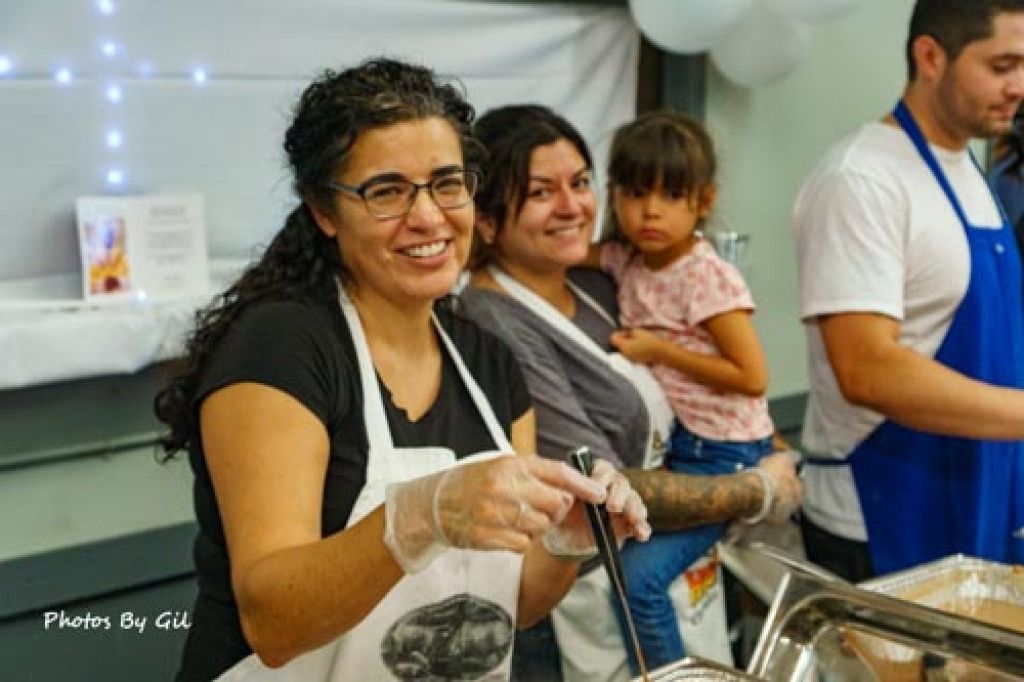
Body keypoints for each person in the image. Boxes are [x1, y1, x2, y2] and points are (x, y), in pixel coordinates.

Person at [153, 59, 651, 682]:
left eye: (448, 183)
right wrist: (417, 517)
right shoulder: (281, 347)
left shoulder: (488, 361)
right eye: (386, 191)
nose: (429, 217)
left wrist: (564, 542)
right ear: (324, 210)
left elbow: (514, 605)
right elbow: (273, 623)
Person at [457, 104, 803, 681]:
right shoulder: (493, 321)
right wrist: (756, 490)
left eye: (581, 183)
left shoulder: (602, 279)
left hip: (677, 538)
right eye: (542, 191)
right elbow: (602, 482)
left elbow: (713, 371)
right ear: (487, 220)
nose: (573, 207)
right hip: (595, 576)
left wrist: (765, 440)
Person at [793, 0, 1024, 582]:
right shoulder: (861, 178)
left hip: (978, 495)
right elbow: (867, 367)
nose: (1019, 87)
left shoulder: (969, 171)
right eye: (1002, 65)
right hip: (880, 516)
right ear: (930, 56)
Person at [588, 111, 776, 672]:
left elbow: (753, 376)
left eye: (672, 195)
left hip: (722, 455)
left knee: (638, 580)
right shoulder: (627, 258)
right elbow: (562, 250)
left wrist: (658, 350)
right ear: (614, 195)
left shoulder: (705, 275)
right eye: (636, 193)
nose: (651, 211)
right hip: (682, 447)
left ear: (703, 201)